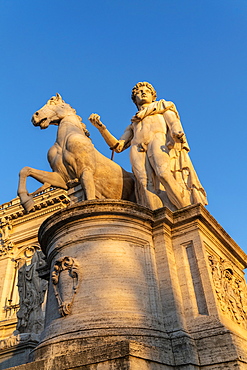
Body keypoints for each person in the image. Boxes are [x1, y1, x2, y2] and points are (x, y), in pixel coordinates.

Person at [89, 82, 207, 210]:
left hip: (157, 140)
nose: (143, 93)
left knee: (163, 174)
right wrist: (101, 128)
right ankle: (155, 217)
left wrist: (176, 133)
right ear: (135, 100)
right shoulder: (134, 123)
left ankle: (187, 210)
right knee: (145, 185)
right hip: (137, 148)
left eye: (146, 91)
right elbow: (117, 146)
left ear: (153, 96)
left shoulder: (162, 107)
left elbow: (173, 122)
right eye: (138, 92)